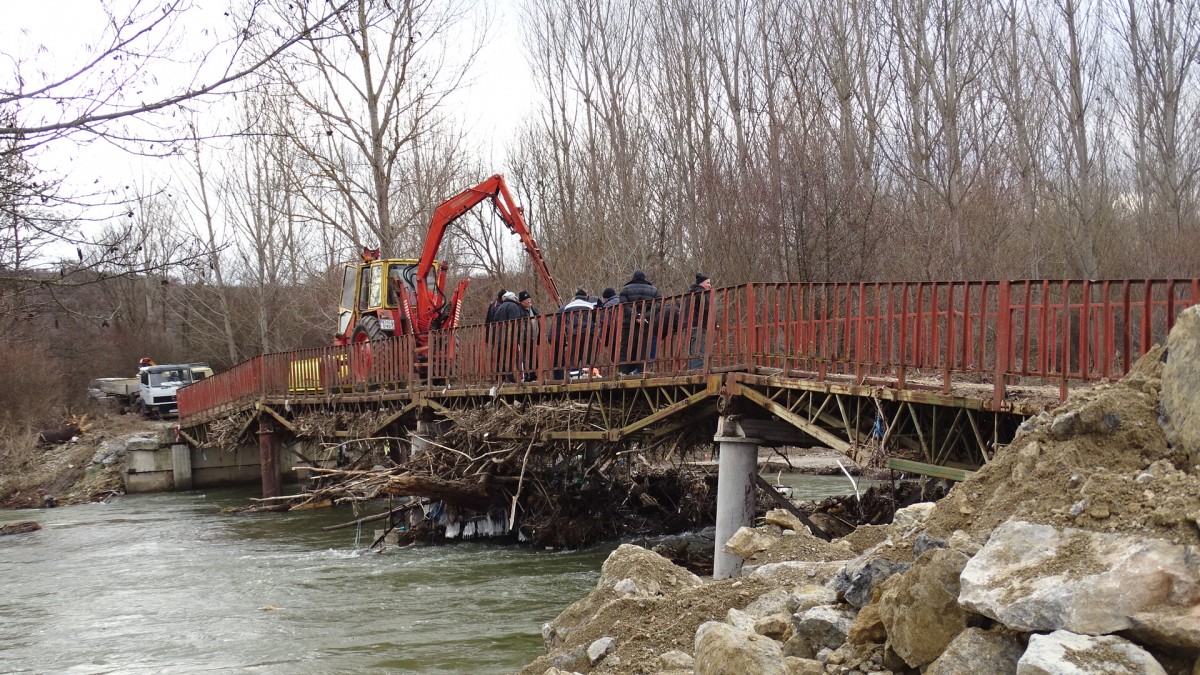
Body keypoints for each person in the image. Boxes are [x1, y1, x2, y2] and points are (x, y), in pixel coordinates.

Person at [618, 270, 661, 374]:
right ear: (645, 278)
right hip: (646, 323)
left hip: (629, 323)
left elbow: (624, 305)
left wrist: (636, 316)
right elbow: (659, 304)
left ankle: (624, 371)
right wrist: (645, 316)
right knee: (644, 346)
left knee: (626, 346)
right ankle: (642, 370)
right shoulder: (654, 290)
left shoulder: (625, 289)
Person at [552, 286, 597, 379]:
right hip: (588, 333)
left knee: (573, 355)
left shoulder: (568, 307)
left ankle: (573, 375)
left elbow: (563, 320)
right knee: (587, 353)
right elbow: (595, 319)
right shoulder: (590, 305)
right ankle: (586, 373)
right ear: (585, 297)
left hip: (573, 333)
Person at [491, 291, 525, 382]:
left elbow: (495, 318)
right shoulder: (514, 306)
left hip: (501, 336)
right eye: (515, 298)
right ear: (512, 298)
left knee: (504, 357)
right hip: (511, 336)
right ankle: (517, 377)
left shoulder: (500, 307)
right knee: (515, 357)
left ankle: (505, 377)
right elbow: (515, 321)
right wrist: (518, 334)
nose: (516, 299)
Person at [685, 273, 713, 370]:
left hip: (690, 325)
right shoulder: (701, 293)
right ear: (701, 284)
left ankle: (690, 371)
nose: (710, 285)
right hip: (698, 324)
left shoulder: (690, 294)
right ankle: (698, 371)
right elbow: (707, 308)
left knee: (692, 350)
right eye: (708, 283)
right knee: (698, 349)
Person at [518, 291, 541, 381]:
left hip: (533, 337)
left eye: (529, 299)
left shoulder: (533, 309)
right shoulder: (520, 310)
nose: (528, 302)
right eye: (526, 300)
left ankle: (533, 374)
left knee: (533, 357)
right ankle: (527, 375)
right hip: (524, 338)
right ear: (521, 302)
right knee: (526, 356)